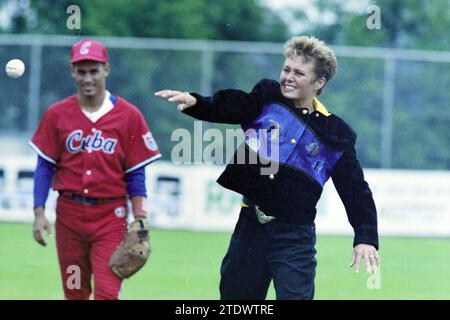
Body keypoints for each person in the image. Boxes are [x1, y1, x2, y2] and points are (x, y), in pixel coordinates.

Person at [155, 35, 380, 300]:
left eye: (299, 73)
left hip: (295, 236)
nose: (288, 77)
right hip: (250, 227)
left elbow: (355, 190)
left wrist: (365, 236)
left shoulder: (337, 134)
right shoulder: (267, 97)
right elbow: (235, 105)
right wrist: (199, 103)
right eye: (286, 69)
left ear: (319, 82)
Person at [29, 39, 161, 300]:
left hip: (110, 217)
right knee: (75, 291)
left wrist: (140, 215)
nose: (87, 78)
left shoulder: (128, 116)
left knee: (107, 292)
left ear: (106, 70)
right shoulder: (57, 114)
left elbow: (135, 172)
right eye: (81, 71)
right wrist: (39, 212)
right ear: (72, 72)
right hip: (69, 218)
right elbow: (45, 166)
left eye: (94, 70)